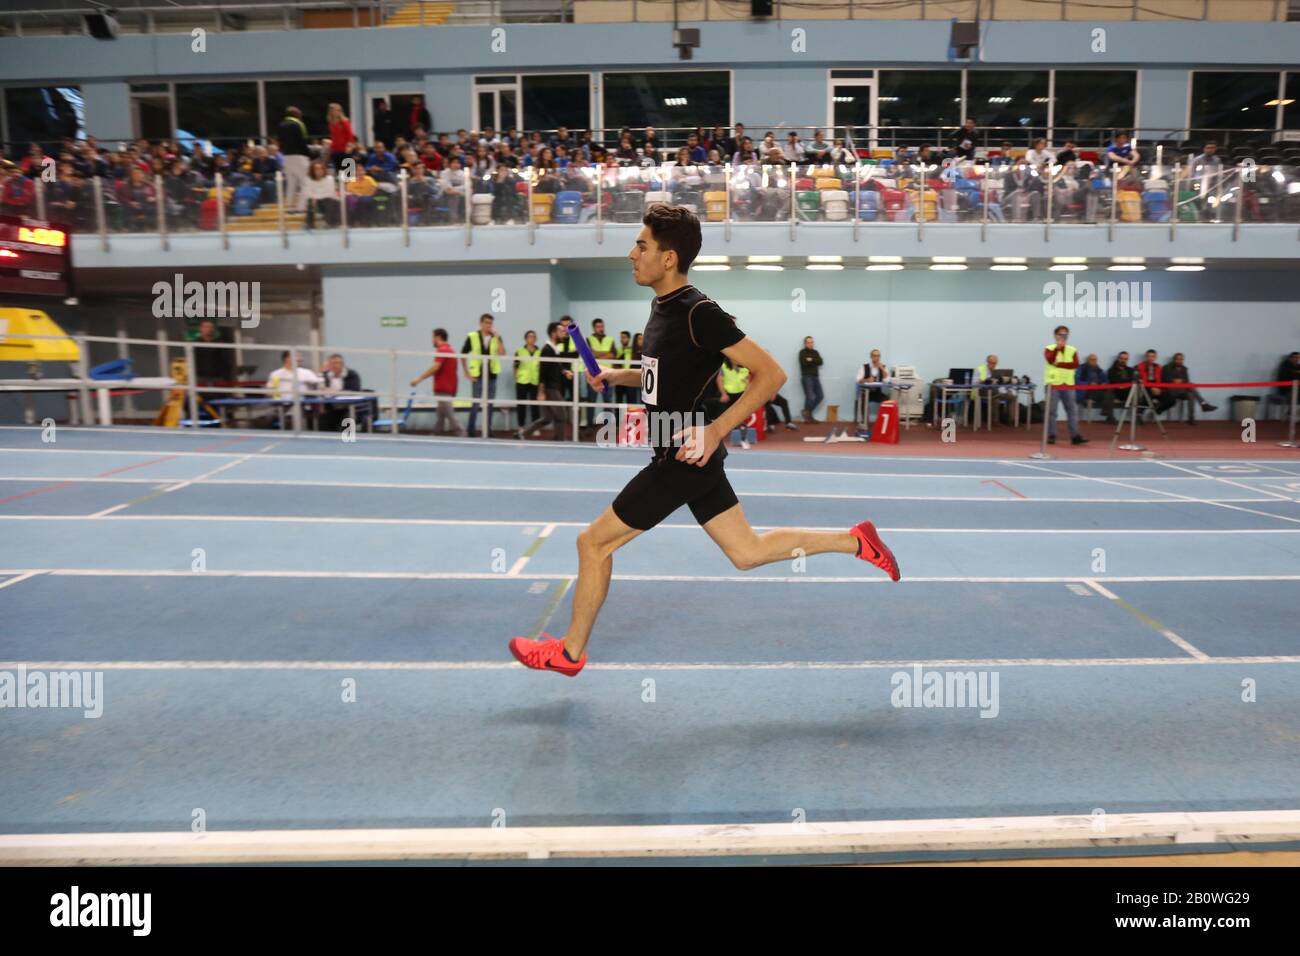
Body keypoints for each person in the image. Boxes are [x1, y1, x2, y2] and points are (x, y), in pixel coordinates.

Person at [507, 204, 900, 677]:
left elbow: (770, 375)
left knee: (593, 543)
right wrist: (620, 374)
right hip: (689, 458)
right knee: (747, 552)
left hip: (681, 458)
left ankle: (569, 653)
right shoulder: (662, 307)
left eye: (642, 245)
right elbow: (664, 375)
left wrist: (715, 430)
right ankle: (856, 541)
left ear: (668, 258)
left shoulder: (700, 311)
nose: (631, 254)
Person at [518, 321, 574, 441]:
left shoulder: (554, 349)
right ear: (553, 333)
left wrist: (565, 371)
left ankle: (522, 434)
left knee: (547, 418)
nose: (564, 333)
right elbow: (542, 373)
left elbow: (557, 365)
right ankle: (560, 440)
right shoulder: (547, 350)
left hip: (553, 387)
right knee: (562, 414)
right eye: (561, 331)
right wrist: (541, 392)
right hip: (550, 388)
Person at [410, 327, 463, 436]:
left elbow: (435, 367)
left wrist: (419, 379)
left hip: (443, 388)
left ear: (438, 337)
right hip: (447, 387)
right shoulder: (449, 349)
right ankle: (436, 432)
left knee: (449, 413)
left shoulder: (442, 350)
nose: (432, 340)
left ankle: (462, 434)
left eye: (433, 337)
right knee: (440, 413)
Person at [1043, 325, 1088, 445]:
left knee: (1072, 410)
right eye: (1061, 334)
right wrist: (1057, 349)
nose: (1063, 337)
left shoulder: (1072, 349)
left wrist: (1059, 364)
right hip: (1053, 384)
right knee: (1051, 412)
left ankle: (1075, 436)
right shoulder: (1049, 348)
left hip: (1068, 384)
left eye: (1065, 334)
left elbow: (1075, 364)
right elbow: (1051, 360)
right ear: (1055, 335)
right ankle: (1051, 435)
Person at [462, 314, 506, 436]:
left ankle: (488, 430)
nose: (488, 325)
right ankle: (471, 430)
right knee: (476, 404)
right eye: (486, 323)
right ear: (480, 323)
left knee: (490, 404)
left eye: (490, 323)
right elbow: (463, 354)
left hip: (492, 375)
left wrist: (497, 337)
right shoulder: (472, 336)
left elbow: (502, 353)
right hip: (477, 375)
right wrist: (466, 373)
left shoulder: (496, 337)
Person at [1162, 352, 1217, 423]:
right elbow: (1165, 379)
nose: (1179, 361)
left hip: (1181, 390)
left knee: (1191, 394)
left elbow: (1186, 380)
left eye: (1181, 359)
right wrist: (1174, 381)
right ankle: (1204, 404)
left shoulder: (1184, 369)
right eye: (1178, 359)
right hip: (1170, 390)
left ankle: (1191, 419)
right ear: (1174, 360)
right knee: (1191, 385)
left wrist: (1179, 381)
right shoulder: (1167, 367)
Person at [277, 106, 311, 212]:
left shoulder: (280, 125)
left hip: (286, 157)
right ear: (296, 114)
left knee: (291, 183)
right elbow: (303, 141)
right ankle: (301, 207)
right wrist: (308, 154)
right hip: (299, 156)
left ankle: (290, 206)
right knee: (306, 182)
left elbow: (280, 141)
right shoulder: (298, 124)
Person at [1075, 353, 1117, 425]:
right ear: (1088, 360)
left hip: (1097, 391)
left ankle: (1108, 414)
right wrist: (1089, 383)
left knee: (1109, 391)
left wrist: (1104, 383)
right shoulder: (1081, 369)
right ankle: (1110, 416)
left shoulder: (1099, 370)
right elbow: (1077, 381)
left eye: (1095, 360)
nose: (1093, 361)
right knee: (1109, 394)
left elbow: (1106, 380)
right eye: (1091, 360)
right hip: (1087, 391)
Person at [514, 330, 543, 429]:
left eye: (534, 337)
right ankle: (521, 426)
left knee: (535, 406)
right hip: (522, 381)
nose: (532, 338)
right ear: (526, 339)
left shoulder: (540, 352)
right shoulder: (519, 351)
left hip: (535, 381)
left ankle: (535, 427)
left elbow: (542, 367)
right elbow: (515, 366)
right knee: (521, 405)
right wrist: (516, 377)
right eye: (530, 337)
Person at [1136, 348, 1176, 418]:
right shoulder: (1139, 366)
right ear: (1146, 357)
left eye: (1152, 356)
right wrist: (1151, 388)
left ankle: (1158, 410)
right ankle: (1139, 415)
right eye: (1149, 356)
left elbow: (1163, 380)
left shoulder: (1158, 367)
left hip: (1158, 389)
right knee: (1147, 395)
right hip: (1145, 388)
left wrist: (1160, 389)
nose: (1150, 358)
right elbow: (1138, 380)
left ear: (1155, 357)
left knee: (1172, 400)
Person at [856, 348, 891, 426]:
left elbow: (887, 380)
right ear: (871, 357)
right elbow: (858, 380)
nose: (877, 358)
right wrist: (866, 380)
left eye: (878, 356)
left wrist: (882, 368)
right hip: (866, 392)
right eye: (874, 356)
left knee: (887, 400)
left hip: (877, 392)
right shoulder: (864, 367)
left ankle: (884, 424)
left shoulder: (883, 367)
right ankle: (864, 422)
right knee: (863, 400)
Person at [798, 335, 824, 422]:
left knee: (820, 396)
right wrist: (813, 361)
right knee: (811, 397)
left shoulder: (815, 352)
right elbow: (804, 363)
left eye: (811, 342)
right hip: (806, 377)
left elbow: (820, 362)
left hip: (815, 377)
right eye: (808, 342)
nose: (810, 344)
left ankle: (807, 413)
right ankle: (808, 416)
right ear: (805, 344)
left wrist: (810, 360)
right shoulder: (802, 352)